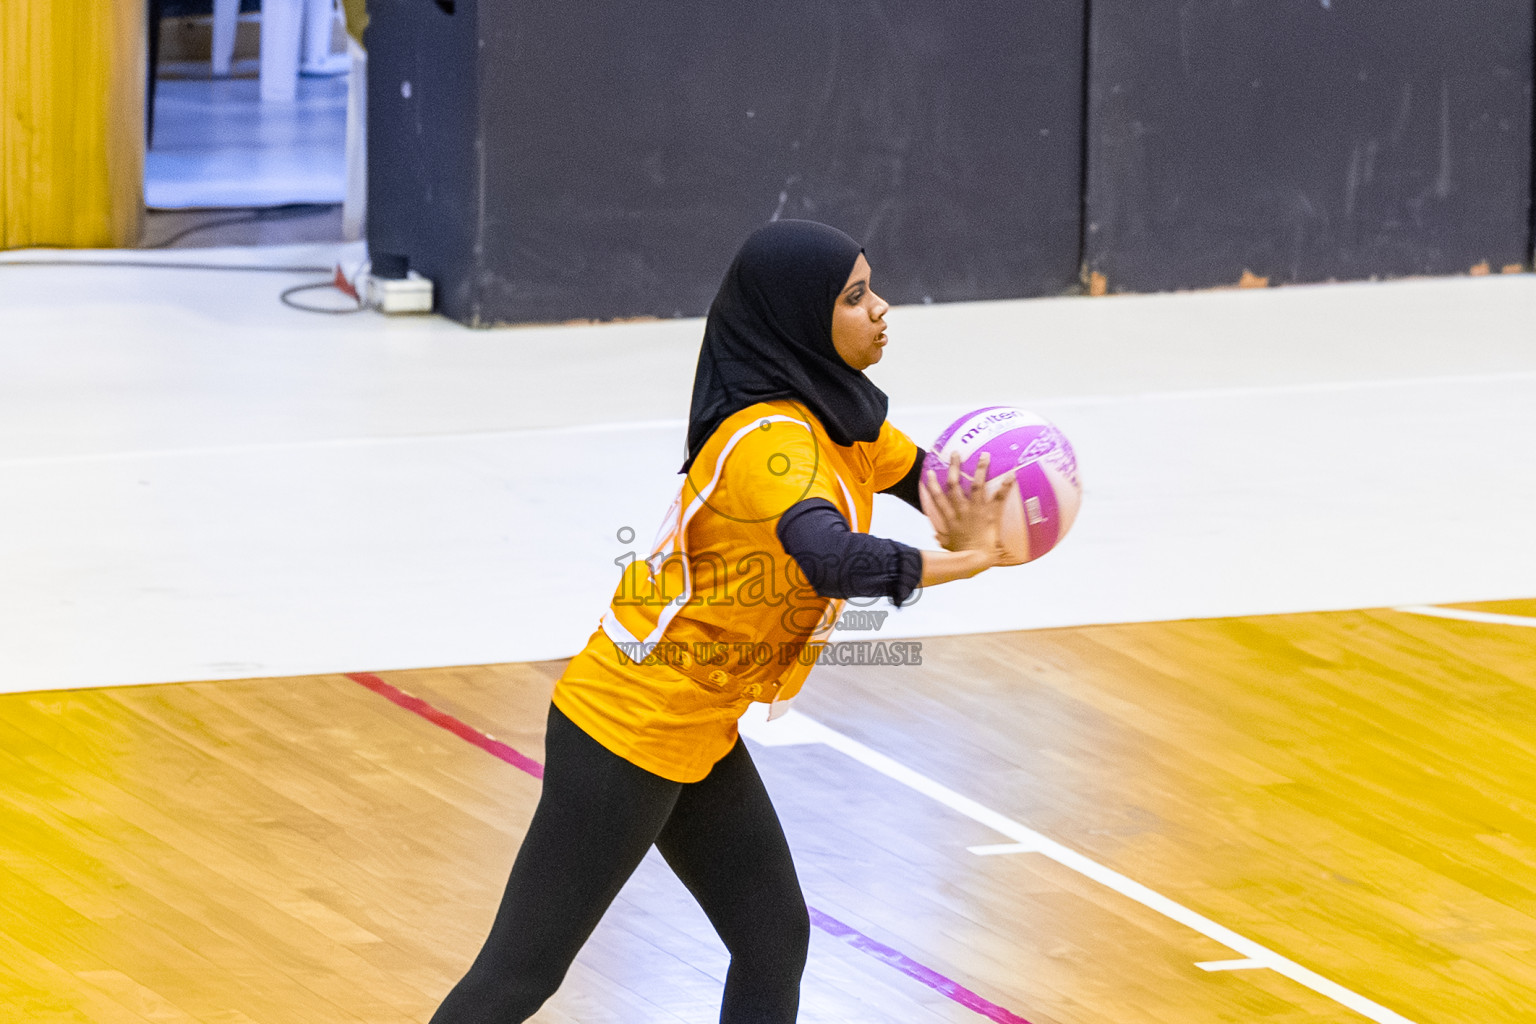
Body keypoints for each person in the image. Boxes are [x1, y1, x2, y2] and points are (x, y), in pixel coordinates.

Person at [428, 219, 1015, 1024]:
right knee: (521, 976)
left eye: (873, 288)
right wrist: (970, 560)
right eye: (855, 297)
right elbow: (831, 558)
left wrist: (997, 505)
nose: (882, 309)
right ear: (798, 319)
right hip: (625, 733)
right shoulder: (767, 447)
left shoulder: (835, 416)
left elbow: (923, 476)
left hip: (696, 723)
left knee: (773, 936)